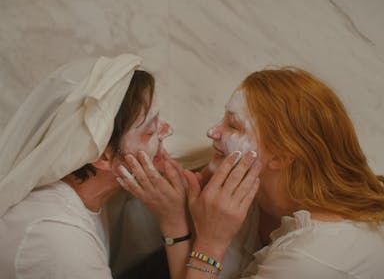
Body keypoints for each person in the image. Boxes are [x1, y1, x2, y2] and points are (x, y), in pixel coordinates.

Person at [117, 67, 384, 279]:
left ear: (281, 156)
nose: (212, 131)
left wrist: (203, 236)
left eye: (232, 125)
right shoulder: (256, 195)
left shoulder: (311, 260)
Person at [0, 54, 174, 278]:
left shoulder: (85, 195)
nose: (167, 130)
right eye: (150, 130)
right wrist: (199, 239)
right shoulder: (59, 240)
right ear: (102, 156)